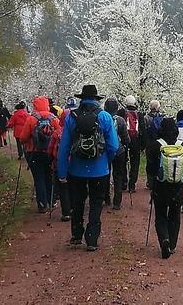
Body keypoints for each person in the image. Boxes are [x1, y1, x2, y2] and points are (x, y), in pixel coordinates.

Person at [57, 85, 119, 251]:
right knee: (96, 203)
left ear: (81, 99)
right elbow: (113, 145)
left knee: (77, 202)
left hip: (76, 169)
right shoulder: (104, 117)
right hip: (99, 170)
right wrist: (107, 159)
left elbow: (64, 147)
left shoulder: (72, 117)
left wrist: (62, 171)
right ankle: (92, 239)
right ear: (96, 99)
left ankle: (77, 235)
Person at [146, 118, 183, 259]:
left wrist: (153, 182)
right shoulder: (182, 145)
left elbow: (150, 169)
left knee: (160, 214)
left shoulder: (156, 145)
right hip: (178, 187)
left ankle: (164, 240)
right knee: (174, 215)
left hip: (160, 187)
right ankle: (172, 245)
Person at [19, 96, 62, 212]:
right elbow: (60, 133)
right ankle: (51, 201)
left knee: (39, 178)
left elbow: (23, 137)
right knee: (49, 177)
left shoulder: (31, 119)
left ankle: (42, 205)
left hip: (34, 152)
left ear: (35, 106)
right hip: (49, 153)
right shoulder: (53, 118)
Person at [103, 97, 130, 210]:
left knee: (105, 174)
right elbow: (126, 138)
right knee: (118, 176)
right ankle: (117, 202)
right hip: (119, 151)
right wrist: (125, 144)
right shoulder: (121, 120)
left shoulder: (102, 118)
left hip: (105, 151)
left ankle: (106, 198)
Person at [117, 95, 145, 193]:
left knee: (123, 162)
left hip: (124, 141)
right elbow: (143, 130)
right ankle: (132, 184)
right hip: (136, 142)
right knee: (135, 163)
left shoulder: (121, 113)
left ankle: (124, 182)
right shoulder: (140, 114)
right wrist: (143, 145)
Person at [48, 123, 71, 221]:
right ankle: (75, 209)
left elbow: (50, 150)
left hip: (59, 164)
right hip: (74, 165)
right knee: (75, 187)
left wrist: (51, 160)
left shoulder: (57, 133)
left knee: (63, 189)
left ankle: (66, 213)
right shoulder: (75, 131)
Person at [143, 100, 164, 190]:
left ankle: (150, 182)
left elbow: (144, 131)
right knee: (159, 162)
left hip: (150, 144)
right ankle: (158, 180)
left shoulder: (146, 117)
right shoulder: (161, 117)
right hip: (160, 143)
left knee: (150, 162)